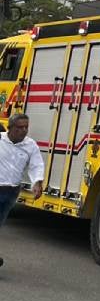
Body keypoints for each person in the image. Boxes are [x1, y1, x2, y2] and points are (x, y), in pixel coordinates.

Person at [0, 113, 45, 267]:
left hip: (11, 192)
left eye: (26, 127)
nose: (24, 130)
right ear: (10, 128)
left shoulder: (30, 145)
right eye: (20, 127)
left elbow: (36, 165)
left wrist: (37, 183)